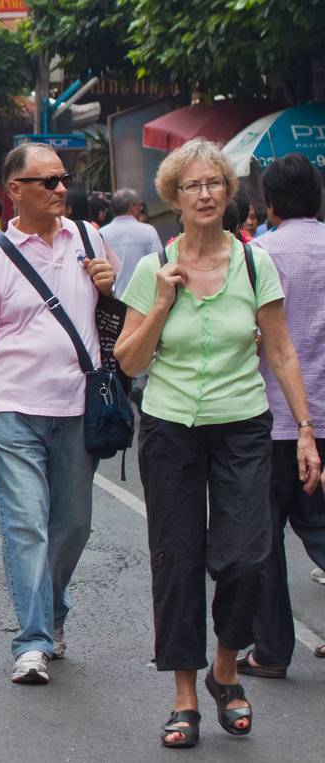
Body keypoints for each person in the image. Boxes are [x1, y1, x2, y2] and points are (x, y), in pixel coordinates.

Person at [112, 139, 319, 749]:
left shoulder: (255, 265)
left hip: (244, 424)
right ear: (172, 200)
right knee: (177, 558)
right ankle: (184, 695)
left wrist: (305, 431)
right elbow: (128, 361)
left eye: (214, 184)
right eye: (192, 186)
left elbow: (280, 350)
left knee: (248, 554)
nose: (204, 195)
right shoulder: (155, 269)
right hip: (171, 426)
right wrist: (162, 303)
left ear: (229, 194)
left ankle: (226, 669)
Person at [0, 143, 119, 686]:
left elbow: (119, 321)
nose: (61, 188)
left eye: (63, 178)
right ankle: (33, 640)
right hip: (12, 409)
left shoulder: (91, 240)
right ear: (14, 191)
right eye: (47, 181)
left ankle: (51, 607)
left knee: (72, 525)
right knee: (25, 526)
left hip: (78, 407)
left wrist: (109, 288)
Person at [241, 153, 325, 675]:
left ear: (269, 204)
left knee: (264, 535)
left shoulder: (257, 255)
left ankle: (271, 651)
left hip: (271, 416)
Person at [98, 188, 162, 290]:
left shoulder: (101, 233)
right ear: (132, 207)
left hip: (114, 299)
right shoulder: (148, 231)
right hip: (144, 298)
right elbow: (159, 264)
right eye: (139, 205)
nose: (141, 209)